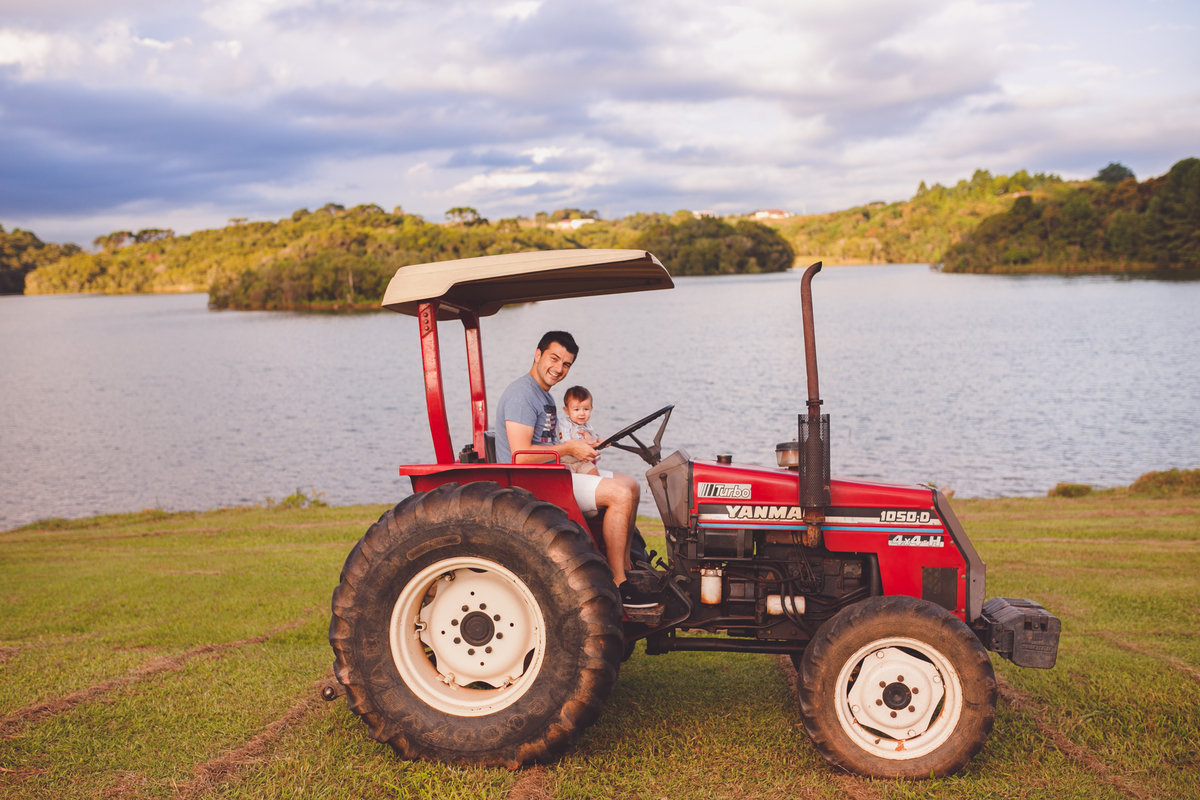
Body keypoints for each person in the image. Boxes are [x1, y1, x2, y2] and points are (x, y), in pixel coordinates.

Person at [494, 331, 656, 608]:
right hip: (533, 483)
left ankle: (627, 566)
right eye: (554, 358)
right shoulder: (523, 394)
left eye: (566, 364)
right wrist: (569, 448)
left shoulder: (543, 396)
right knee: (619, 494)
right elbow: (520, 456)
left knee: (631, 485)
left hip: (553, 472)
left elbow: (550, 444)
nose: (559, 368)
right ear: (538, 355)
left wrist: (580, 446)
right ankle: (619, 584)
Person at [556, 385, 602, 476]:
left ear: (591, 409)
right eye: (576, 409)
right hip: (566, 461)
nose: (582, 414)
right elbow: (566, 442)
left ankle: (596, 484)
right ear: (567, 410)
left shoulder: (587, 427)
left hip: (582, 461)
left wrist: (601, 441)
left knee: (594, 472)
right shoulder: (564, 424)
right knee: (567, 479)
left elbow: (594, 439)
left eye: (586, 409)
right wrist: (586, 443)